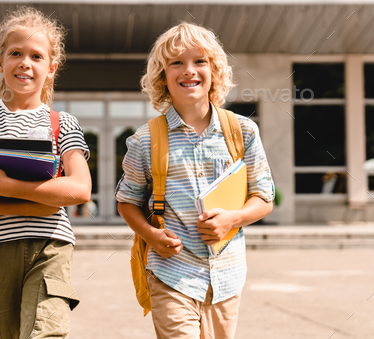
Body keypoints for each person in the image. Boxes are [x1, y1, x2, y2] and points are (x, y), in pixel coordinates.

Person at [0, 6, 91, 339]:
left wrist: (6, 186)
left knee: (45, 334)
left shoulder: (63, 124)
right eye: (16, 53)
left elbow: (80, 188)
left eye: (36, 56)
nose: (25, 62)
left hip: (50, 247)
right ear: (0, 61)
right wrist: (35, 203)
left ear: (51, 68)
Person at [116, 22, 275, 339]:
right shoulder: (146, 140)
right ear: (162, 76)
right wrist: (151, 235)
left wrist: (234, 218)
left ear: (214, 71)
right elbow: (127, 202)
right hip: (170, 273)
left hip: (227, 277)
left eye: (199, 61)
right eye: (177, 63)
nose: (189, 70)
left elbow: (264, 198)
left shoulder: (242, 132)